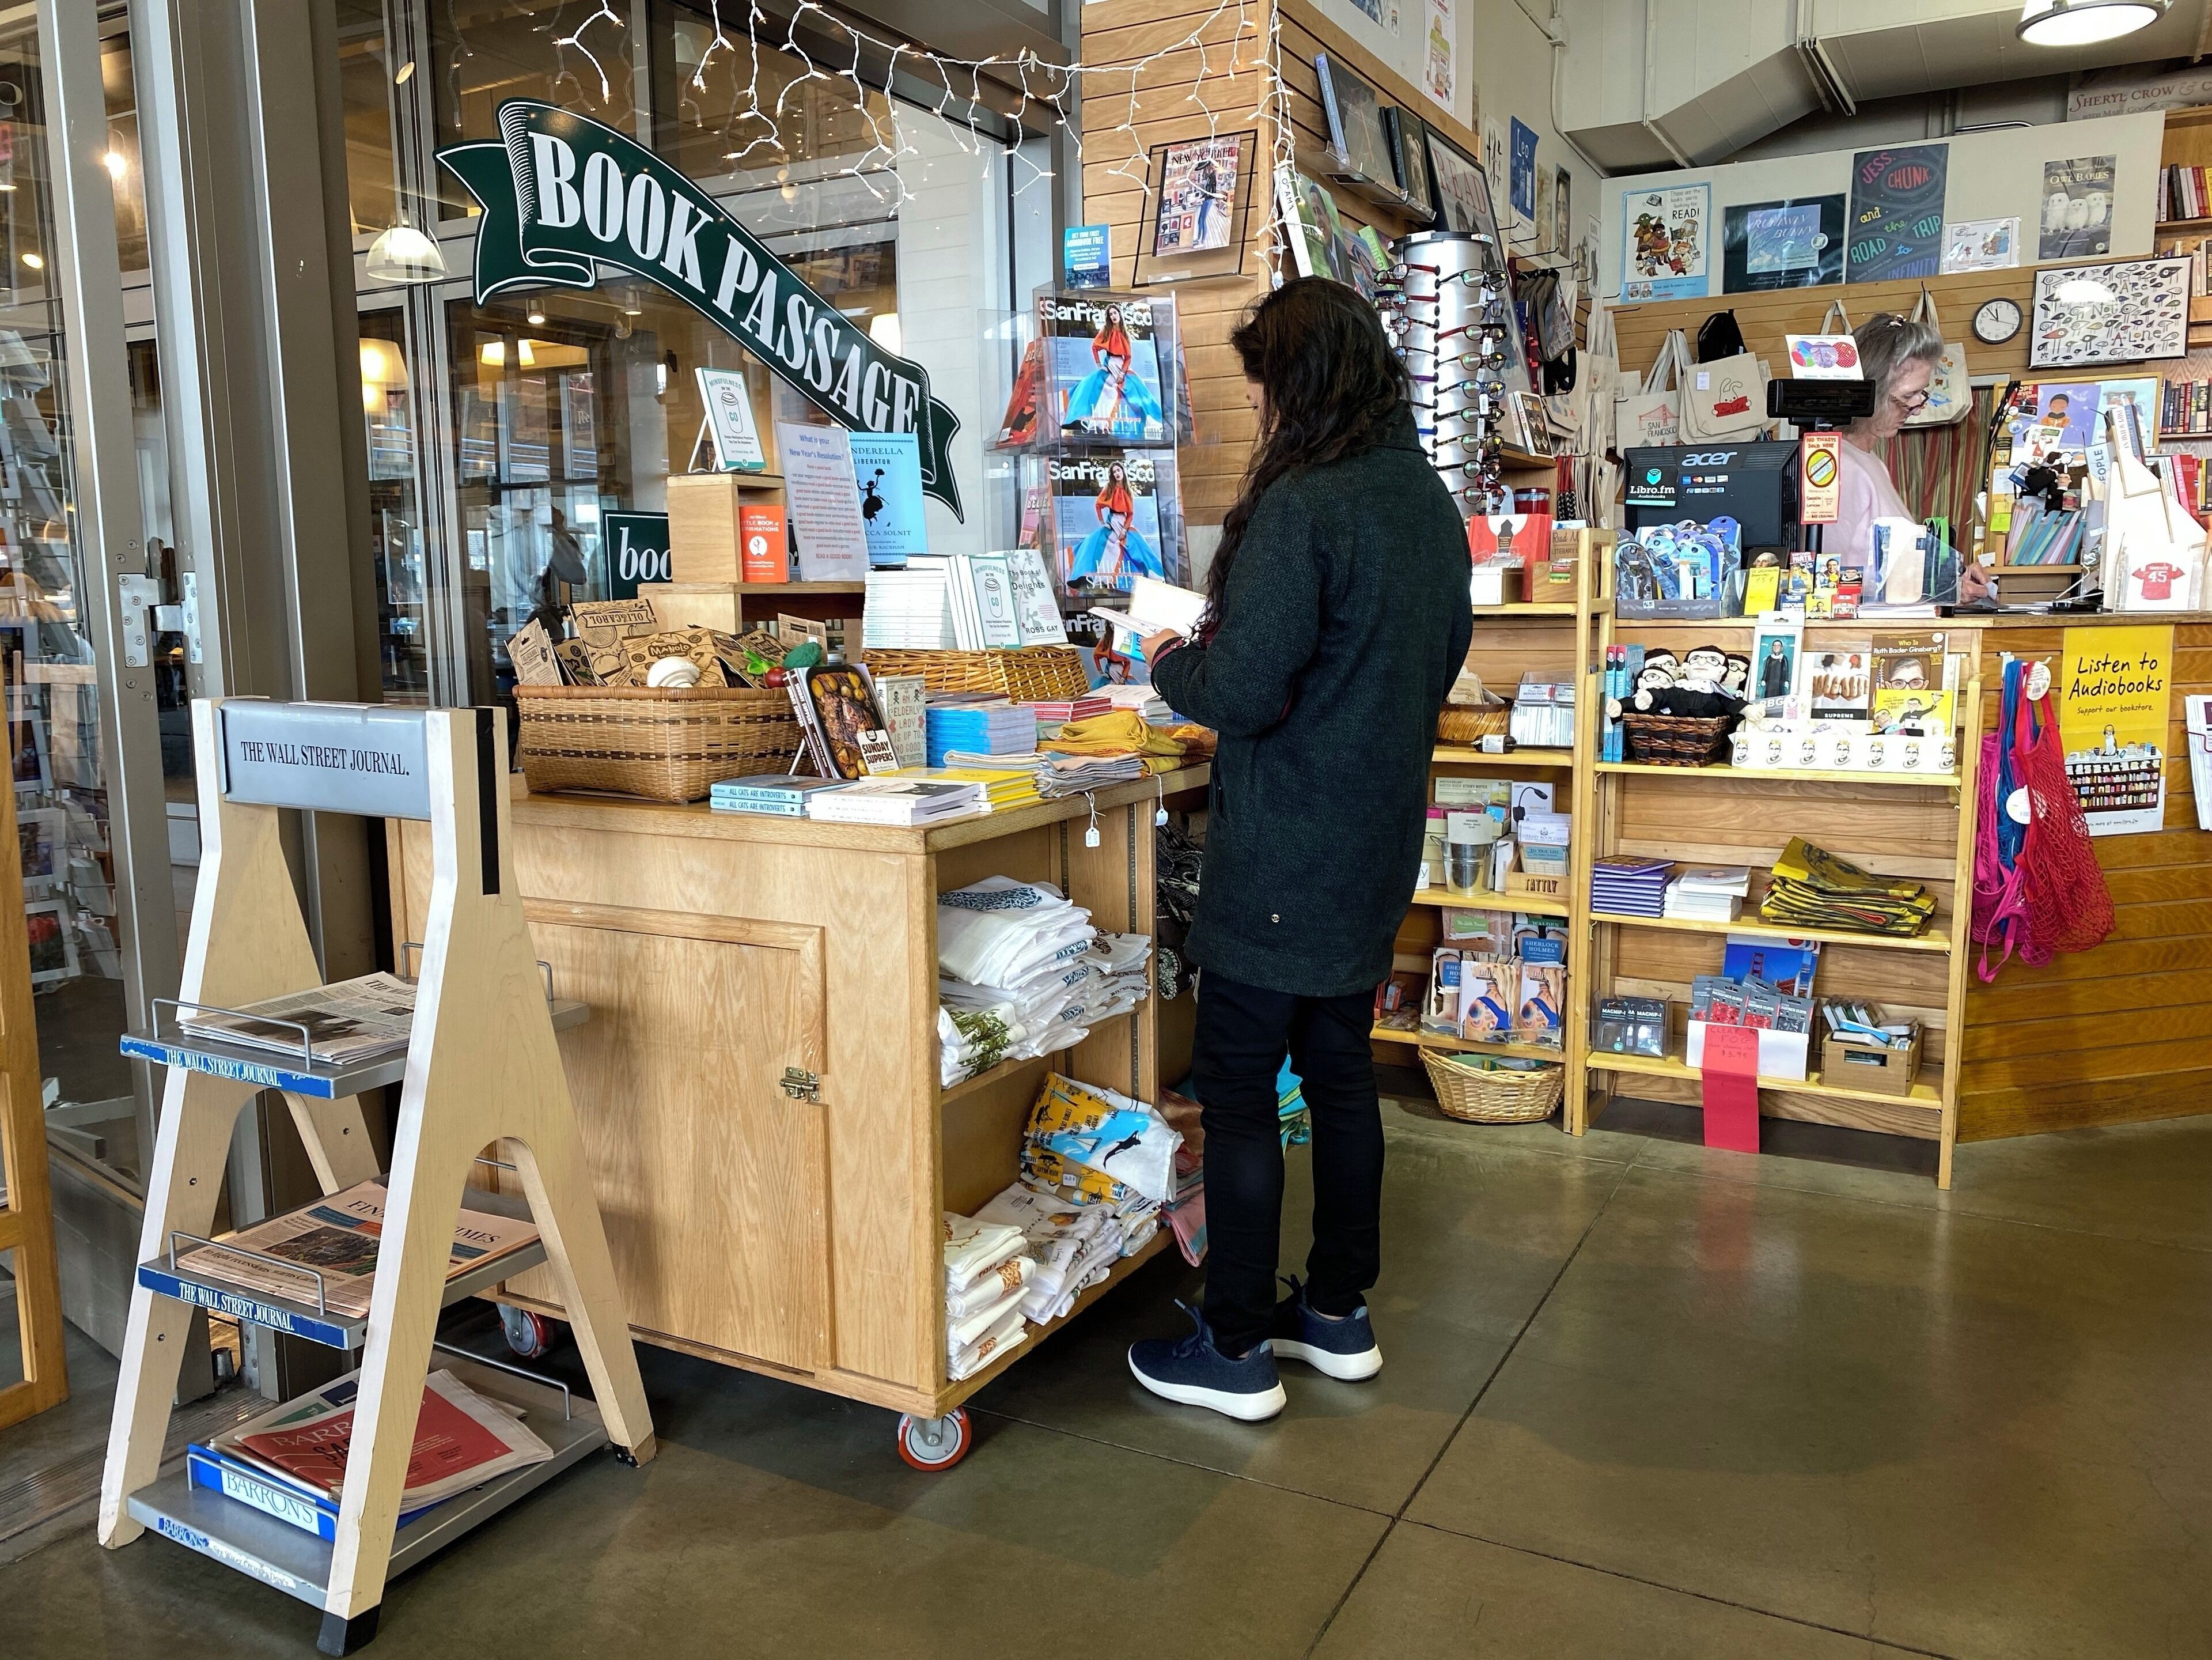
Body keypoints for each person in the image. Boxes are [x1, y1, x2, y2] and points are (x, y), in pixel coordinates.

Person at [1126, 277, 1473, 1422]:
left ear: (1297, 381)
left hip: (1283, 853)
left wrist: (1170, 649)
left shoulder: (1307, 506)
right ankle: (1334, 1313)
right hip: (1374, 843)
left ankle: (1231, 1348)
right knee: (1338, 1077)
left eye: (1267, 381)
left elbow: (1244, 689)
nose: (1265, 407)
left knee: (1236, 1089)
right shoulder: (1424, 503)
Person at [1834, 313, 1995, 604]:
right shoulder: (1840, 466)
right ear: (1871, 392)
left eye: (1922, 394)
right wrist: (1944, 590)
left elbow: (1890, 566)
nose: (1917, 409)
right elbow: (1832, 579)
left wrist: (1950, 578)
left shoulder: (1871, 463)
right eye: (1908, 396)